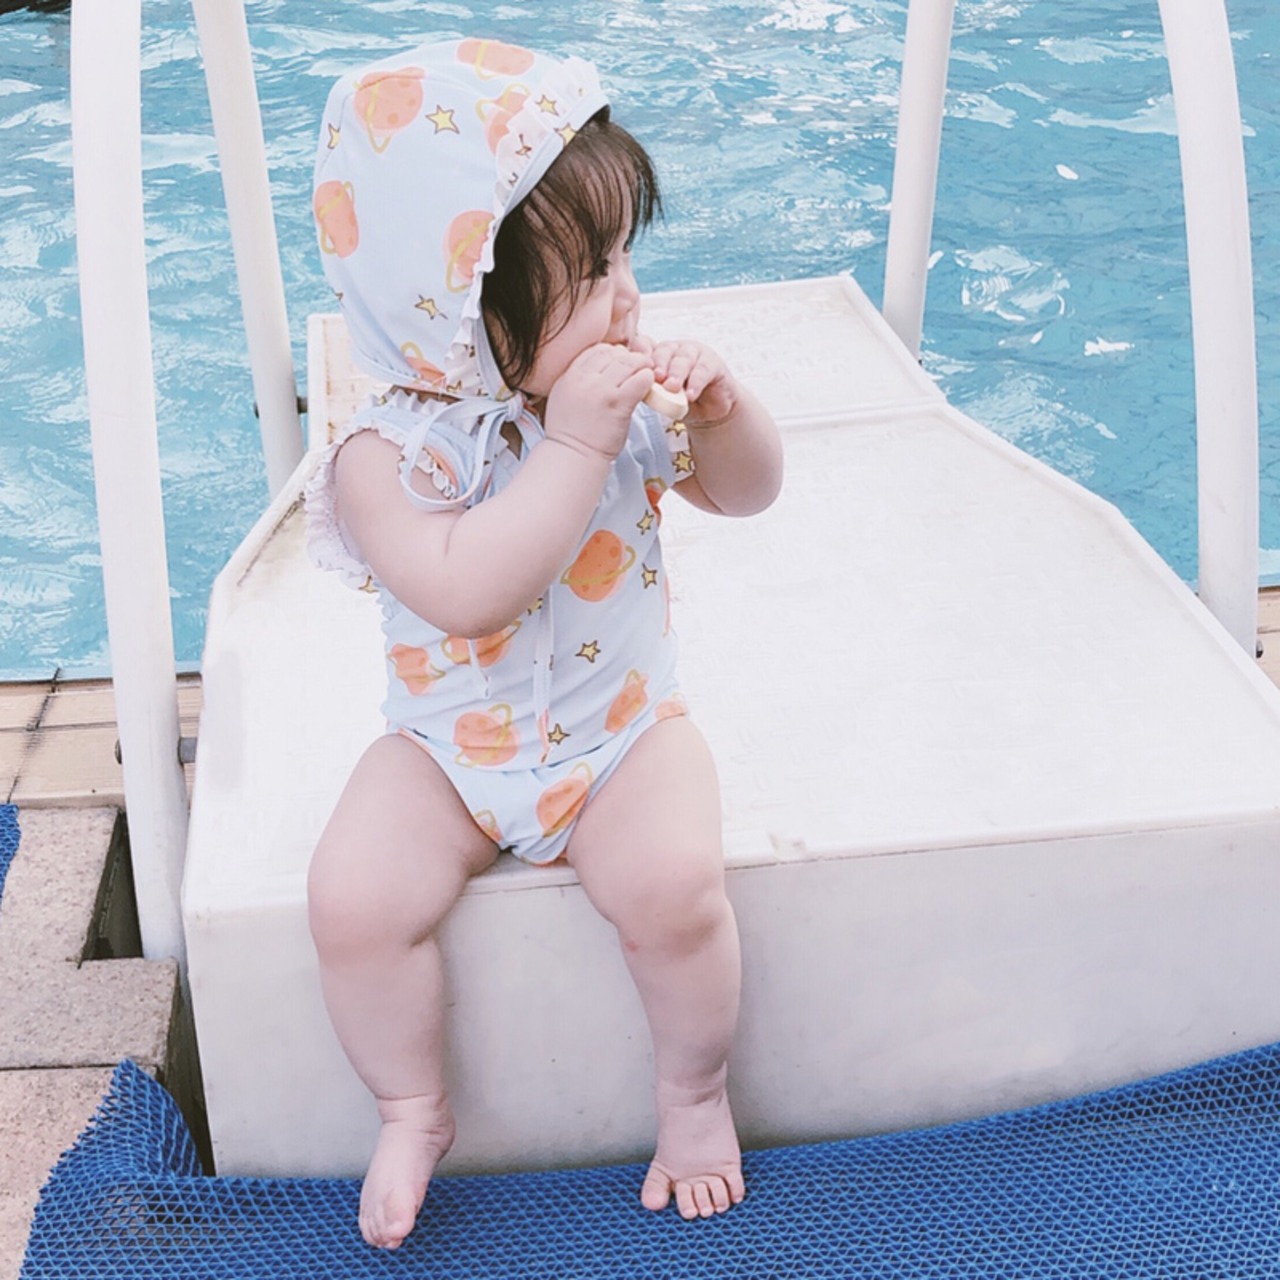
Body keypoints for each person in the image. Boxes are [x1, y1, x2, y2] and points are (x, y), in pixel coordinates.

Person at [304, 35, 783, 1250]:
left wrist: (723, 413)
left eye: (624, 254)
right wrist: (570, 447)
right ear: (455, 309)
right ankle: (410, 1104)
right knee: (351, 900)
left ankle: (692, 1092)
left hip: (620, 733)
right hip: (445, 755)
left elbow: (746, 493)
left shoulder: (613, 401)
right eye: (588, 274)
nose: (627, 296)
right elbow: (465, 591)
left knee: (674, 889)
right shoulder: (385, 458)